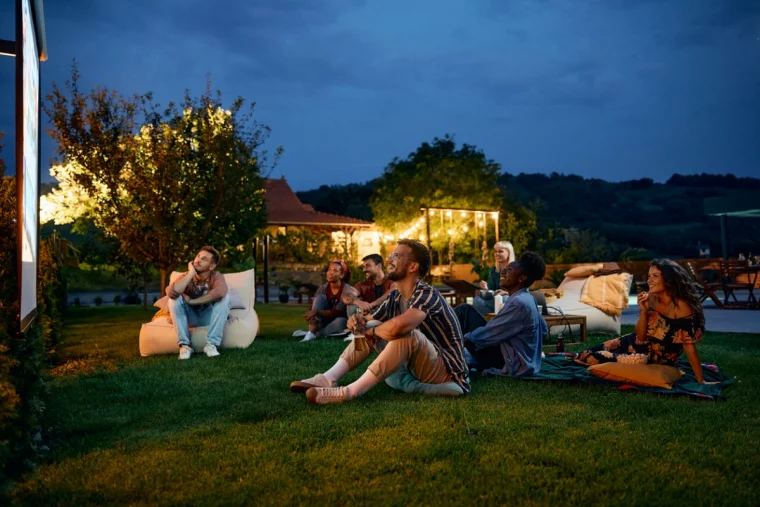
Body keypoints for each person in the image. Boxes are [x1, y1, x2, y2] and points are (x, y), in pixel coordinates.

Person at [290, 239, 470, 404]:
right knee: (371, 325)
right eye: (391, 255)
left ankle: (349, 392)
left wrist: (371, 331)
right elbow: (368, 320)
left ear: (413, 266)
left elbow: (400, 327)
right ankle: (329, 378)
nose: (389, 259)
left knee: (405, 334)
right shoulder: (396, 297)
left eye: (396, 256)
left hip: (446, 373)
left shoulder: (426, 294)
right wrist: (357, 321)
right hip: (417, 365)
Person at [575, 259, 708, 383]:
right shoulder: (650, 298)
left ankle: (623, 359)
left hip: (654, 358)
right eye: (649, 276)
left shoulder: (682, 307)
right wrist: (643, 311)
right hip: (633, 343)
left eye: (655, 276)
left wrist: (700, 380)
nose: (649, 280)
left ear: (669, 280)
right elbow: (640, 336)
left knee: (595, 358)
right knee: (583, 354)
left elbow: (689, 346)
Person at [455, 252, 548, 377]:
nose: (503, 272)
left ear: (522, 278)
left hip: (509, 362)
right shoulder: (527, 298)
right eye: (504, 269)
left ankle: (433, 346)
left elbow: (490, 333)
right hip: (519, 358)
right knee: (466, 312)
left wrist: (464, 338)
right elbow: (544, 331)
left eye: (509, 270)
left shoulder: (519, 302)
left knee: (464, 311)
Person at [166, 246, 230, 360]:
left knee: (225, 297)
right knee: (173, 299)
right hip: (190, 316)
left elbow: (221, 291)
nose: (198, 260)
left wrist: (192, 301)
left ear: (211, 266)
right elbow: (171, 292)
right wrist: (191, 273)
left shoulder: (216, 276)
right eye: (198, 256)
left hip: (208, 316)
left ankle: (211, 345)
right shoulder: (185, 276)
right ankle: (185, 346)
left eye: (204, 259)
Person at [296, 260, 353, 342]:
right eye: (329, 270)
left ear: (342, 275)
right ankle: (313, 331)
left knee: (341, 321)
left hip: (339, 321)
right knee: (319, 298)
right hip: (323, 321)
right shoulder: (323, 288)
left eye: (335, 270)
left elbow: (337, 312)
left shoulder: (347, 289)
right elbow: (315, 306)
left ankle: (314, 333)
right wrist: (312, 314)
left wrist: (316, 312)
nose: (330, 273)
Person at [472, 241, 516, 315]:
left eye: (500, 251)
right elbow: (492, 291)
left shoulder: (516, 269)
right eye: (495, 251)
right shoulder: (494, 270)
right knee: (477, 300)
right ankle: (491, 322)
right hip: (496, 300)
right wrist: (486, 289)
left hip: (511, 299)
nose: (497, 254)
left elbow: (523, 291)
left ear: (509, 253)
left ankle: (500, 321)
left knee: (504, 299)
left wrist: (505, 293)